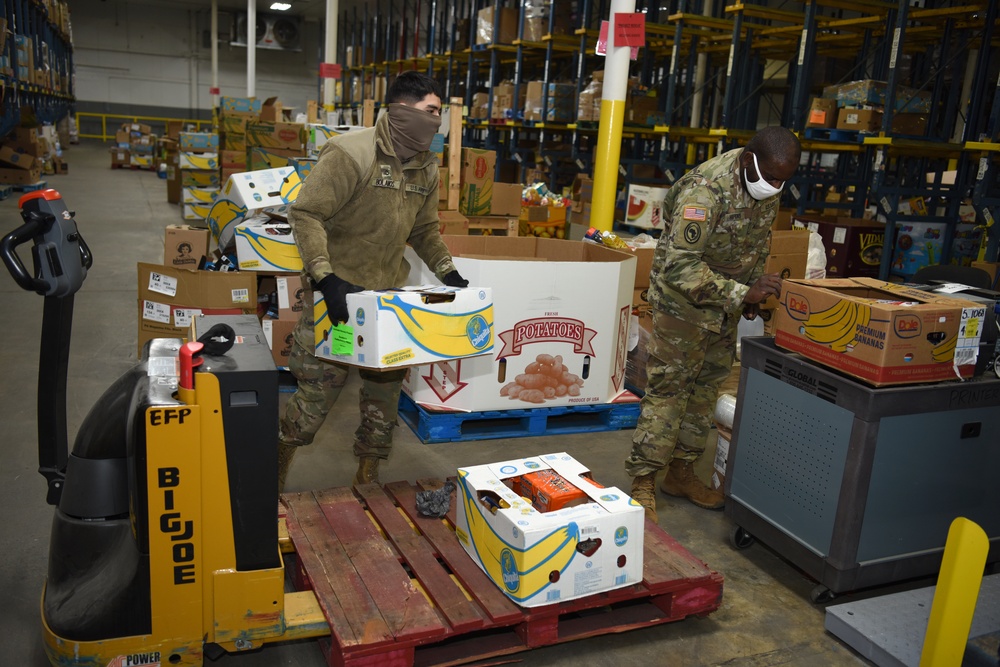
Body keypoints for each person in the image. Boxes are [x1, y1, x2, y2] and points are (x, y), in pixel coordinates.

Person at [277, 71, 468, 491]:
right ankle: (276, 461)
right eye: (431, 112)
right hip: (338, 299)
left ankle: (369, 472)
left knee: (384, 396)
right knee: (318, 394)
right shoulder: (352, 154)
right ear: (402, 109)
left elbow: (425, 229)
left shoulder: (424, 165)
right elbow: (306, 213)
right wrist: (325, 278)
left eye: (440, 113)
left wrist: (446, 269)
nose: (437, 122)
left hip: (385, 302)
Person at [625, 126, 801, 523]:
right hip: (682, 307)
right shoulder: (704, 191)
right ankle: (644, 482)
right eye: (770, 177)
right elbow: (679, 266)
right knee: (670, 392)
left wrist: (750, 297)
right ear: (747, 160)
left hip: (724, 307)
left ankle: (681, 472)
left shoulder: (765, 185)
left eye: (783, 180)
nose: (775, 186)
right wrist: (743, 294)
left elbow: (757, 243)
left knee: (704, 394)